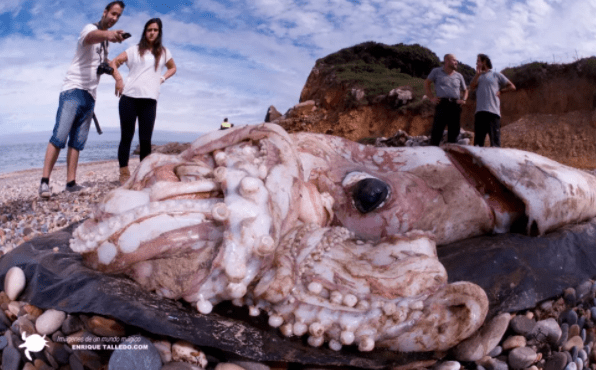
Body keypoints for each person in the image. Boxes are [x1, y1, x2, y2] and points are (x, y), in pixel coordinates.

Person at [39, 1, 126, 198]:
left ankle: (71, 183)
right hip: (73, 90)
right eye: (113, 14)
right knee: (59, 136)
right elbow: (90, 37)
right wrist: (109, 34)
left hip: (90, 95)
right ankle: (44, 182)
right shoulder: (91, 29)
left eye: (118, 16)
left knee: (77, 141)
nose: (114, 18)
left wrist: (118, 77)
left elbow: (105, 63)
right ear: (105, 12)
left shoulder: (104, 44)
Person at [110, 18, 177, 184]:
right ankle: (124, 173)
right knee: (126, 137)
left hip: (149, 100)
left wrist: (161, 78)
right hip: (129, 98)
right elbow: (113, 63)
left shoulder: (163, 52)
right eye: (149, 29)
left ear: (159, 32)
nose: (152, 32)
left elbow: (173, 68)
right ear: (145, 32)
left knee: (145, 140)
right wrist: (118, 79)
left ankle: (143, 174)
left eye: (155, 30)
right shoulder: (134, 50)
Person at [470, 54, 516, 147]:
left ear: (484, 62)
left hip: (493, 114)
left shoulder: (496, 75)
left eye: (478, 61)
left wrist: (501, 91)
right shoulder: (477, 77)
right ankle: (475, 162)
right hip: (480, 113)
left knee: (495, 144)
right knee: (478, 145)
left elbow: (512, 87)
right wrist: (477, 75)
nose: (476, 63)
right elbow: (471, 87)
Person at [424, 54, 468, 146]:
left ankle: (451, 156)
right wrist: (432, 98)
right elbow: (427, 83)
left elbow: (465, 90)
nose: (456, 62)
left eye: (457, 61)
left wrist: (463, 99)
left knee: (454, 133)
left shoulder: (459, 75)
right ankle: (432, 156)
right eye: (454, 60)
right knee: (436, 132)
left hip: (455, 106)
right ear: (446, 60)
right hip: (442, 104)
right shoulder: (436, 71)